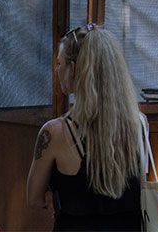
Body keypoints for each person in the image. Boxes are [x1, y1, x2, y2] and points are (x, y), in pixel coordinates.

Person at [27, 24, 144, 230]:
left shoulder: (55, 133)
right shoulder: (138, 124)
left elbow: (34, 197)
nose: (57, 70)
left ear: (73, 69)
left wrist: (51, 192)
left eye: (60, 63)